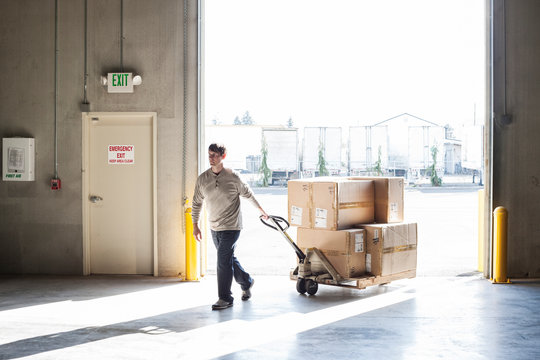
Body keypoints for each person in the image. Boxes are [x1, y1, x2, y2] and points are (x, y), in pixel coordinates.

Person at [192, 143, 269, 310]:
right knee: (227, 259)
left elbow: (248, 194)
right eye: (209, 154)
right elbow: (196, 203)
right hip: (214, 227)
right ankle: (247, 281)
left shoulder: (233, 177)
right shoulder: (203, 179)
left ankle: (225, 298)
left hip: (232, 227)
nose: (211, 158)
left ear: (223, 157)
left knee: (222, 260)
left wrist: (262, 210)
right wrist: (195, 225)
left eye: (214, 155)